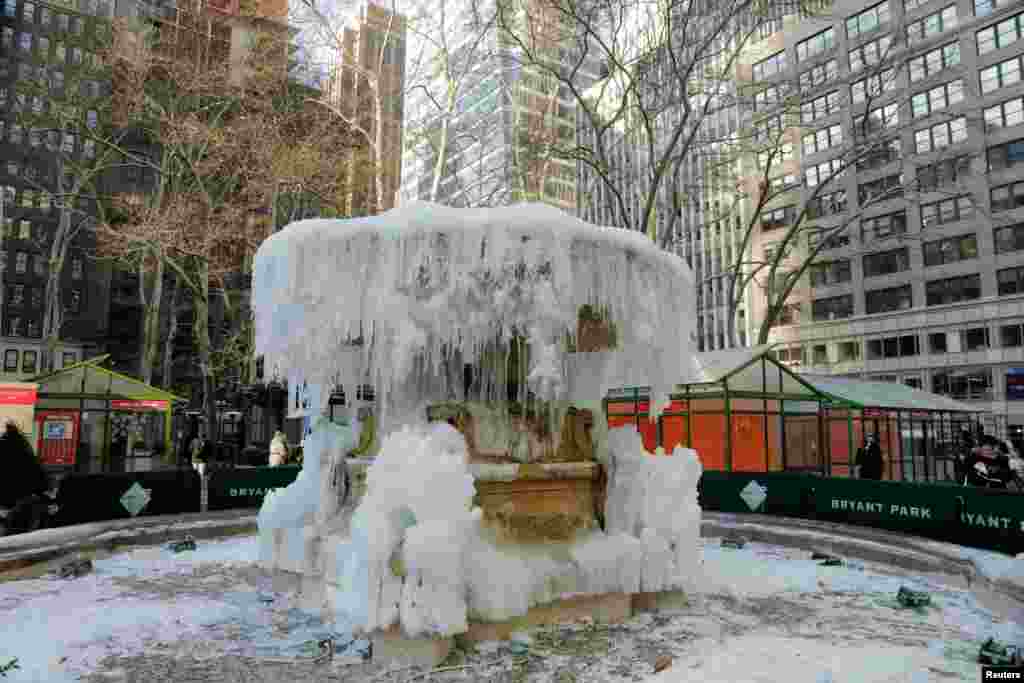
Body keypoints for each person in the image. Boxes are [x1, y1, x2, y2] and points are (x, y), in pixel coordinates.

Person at [0, 422, 50, 534]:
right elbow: (43, 484)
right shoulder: (28, 456)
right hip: (26, 508)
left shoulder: (4, 452)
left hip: (10, 508)